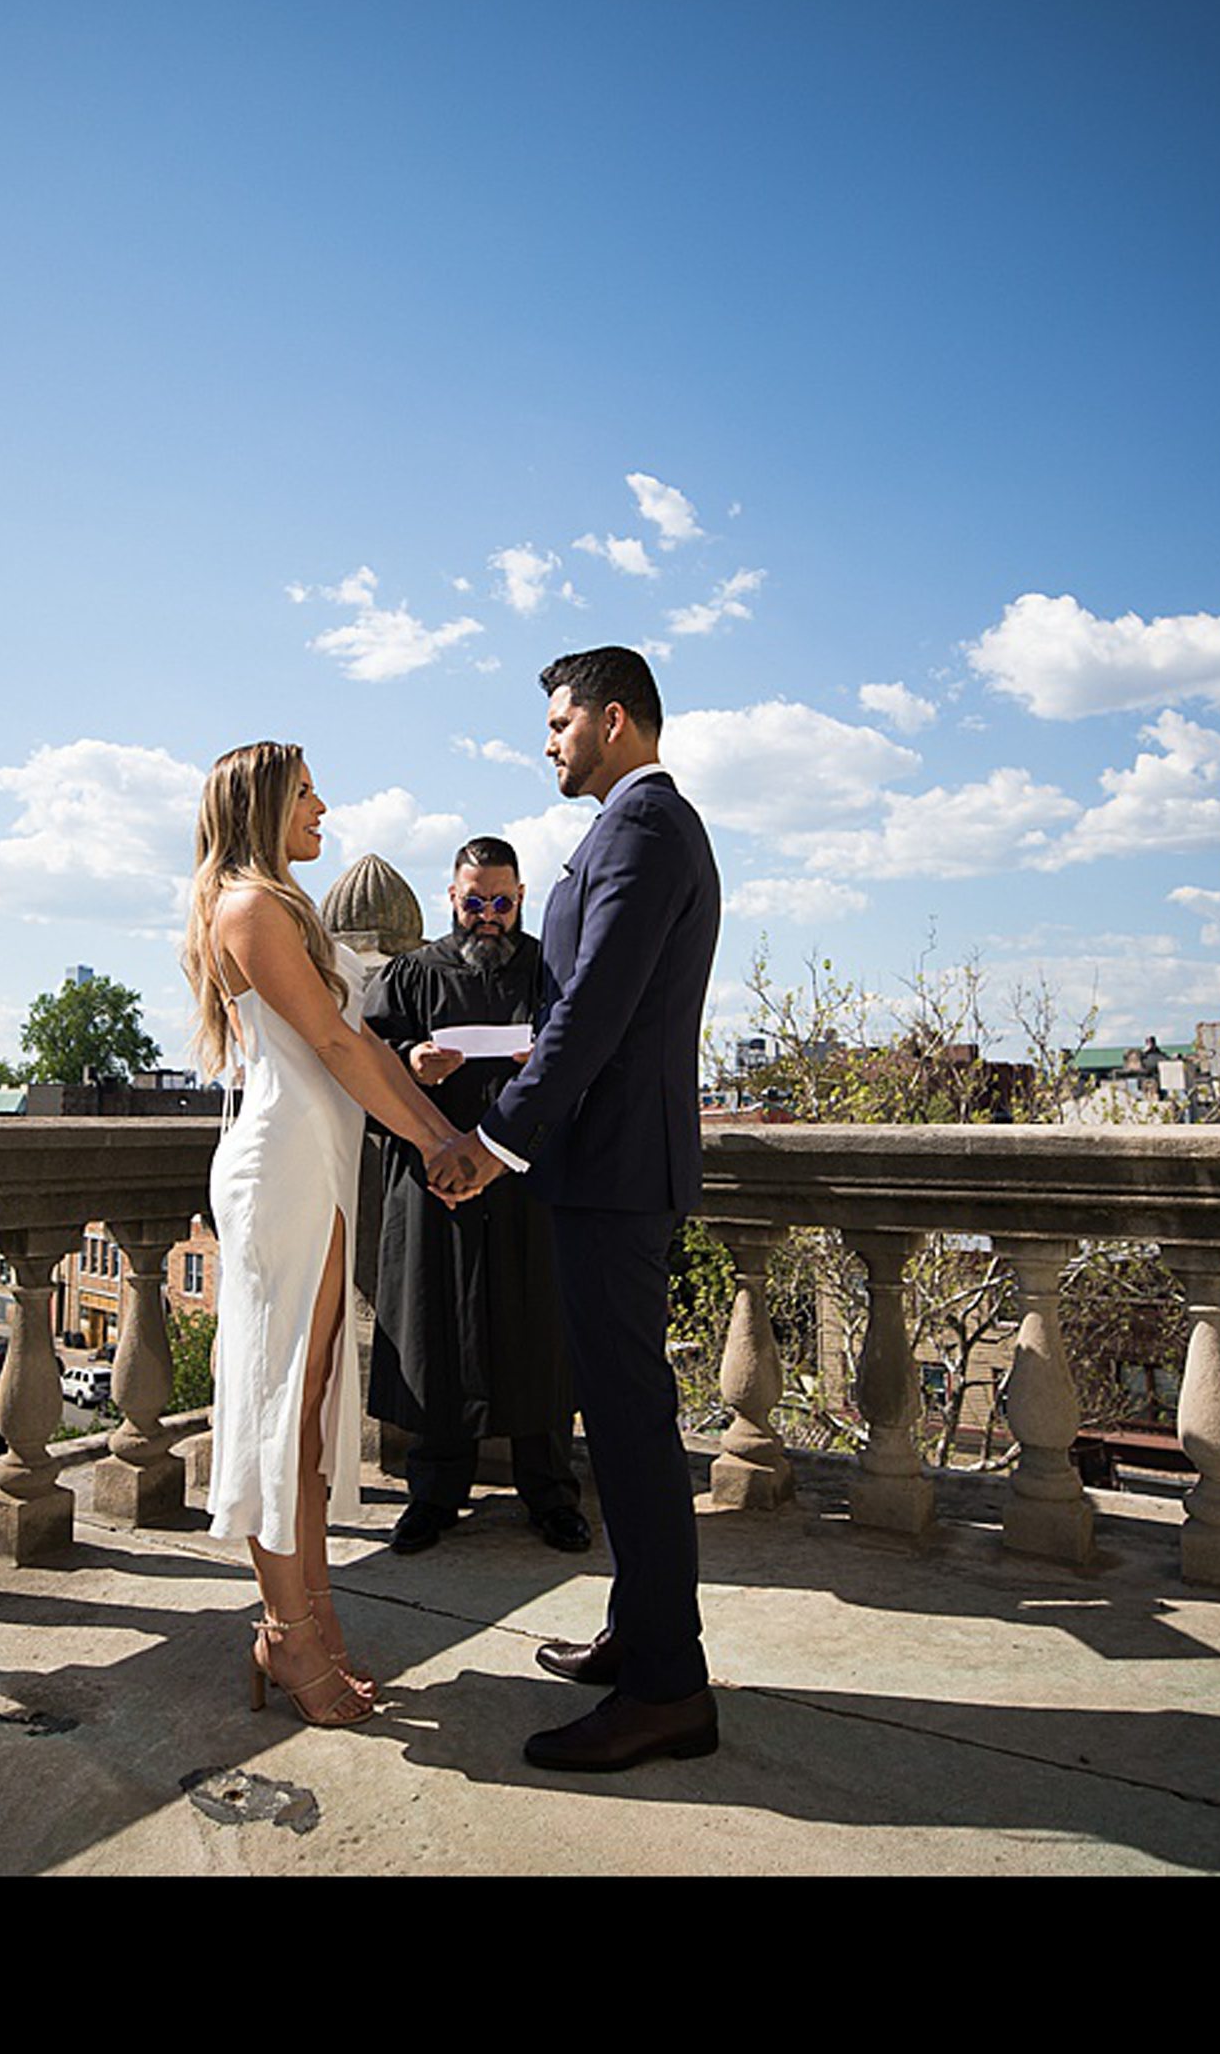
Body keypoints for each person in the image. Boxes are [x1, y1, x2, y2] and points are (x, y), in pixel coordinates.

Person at [425, 647, 723, 1773]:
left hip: (610, 1173)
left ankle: (667, 1689)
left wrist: (498, 1141)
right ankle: (640, 1634)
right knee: (620, 1417)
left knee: (636, 1430)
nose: (548, 741)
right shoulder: (631, 828)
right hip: (601, 1171)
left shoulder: (645, 828)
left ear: (611, 720)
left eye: (559, 722)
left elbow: (591, 1010)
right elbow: (575, 1009)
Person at [182, 741, 466, 1728]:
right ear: (264, 802)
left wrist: (420, 1097)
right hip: (285, 1171)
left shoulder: (281, 907)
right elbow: (340, 1046)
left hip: (319, 1168)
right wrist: (438, 1143)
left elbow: (360, 1046)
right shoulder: (251, 907)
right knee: (278, 1414)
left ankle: (313, 1624)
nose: (323, 806)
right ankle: (286, 1635)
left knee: (302, 1418)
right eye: (306, 793)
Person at [364, 838, 588, 1557]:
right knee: (437, 1335)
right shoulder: (408, 976)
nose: (488, 917)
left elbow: (589, 1061)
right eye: (474, 902)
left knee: (540, 1336)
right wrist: (410, 1065)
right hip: (435, 1188)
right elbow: (361, 1070)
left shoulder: (553, 974)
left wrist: (545, 1061)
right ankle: (432, 1497)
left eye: (502, 903)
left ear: (520, 898)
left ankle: (552, 1496)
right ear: (450, 898)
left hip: (530, 1186)